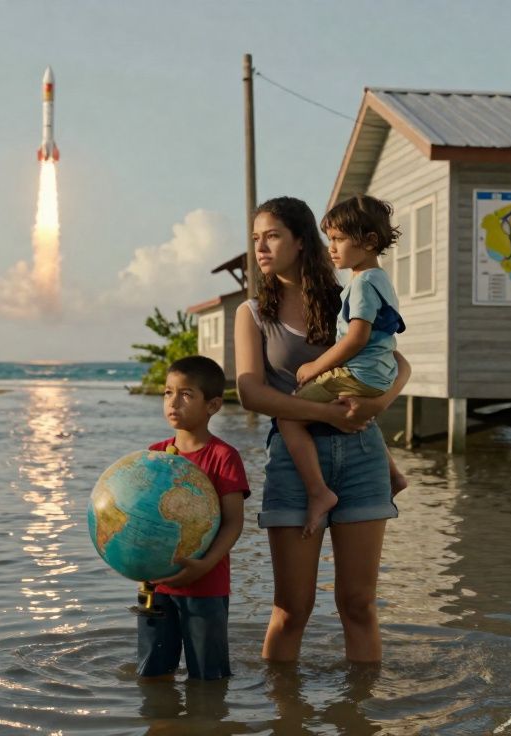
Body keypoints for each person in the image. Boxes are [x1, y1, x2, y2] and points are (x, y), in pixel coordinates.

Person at [233, 196, 412, 664]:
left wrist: (376, 404)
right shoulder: (252, 313)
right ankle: (283, 717)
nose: (261, 247)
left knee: (358, 604)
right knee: (293, 609)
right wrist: (328, 415)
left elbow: (399, 363)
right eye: (256, 239)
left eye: (271, 235)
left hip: (361, 456)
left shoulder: (346, 296)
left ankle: (361, 717)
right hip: (294, 463)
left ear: (300, 241)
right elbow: (250, 393)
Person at [279, 194, 408, 538]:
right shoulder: (381, 280)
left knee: (288, 416)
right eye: (329, 240)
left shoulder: (362, 283)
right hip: (380, 375)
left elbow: (355, 339)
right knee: (354, 416)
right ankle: (394, 476)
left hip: (358, 374)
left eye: (338, 239)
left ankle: (319, 492)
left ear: (368, 241)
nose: (331, 248)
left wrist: (316, 367)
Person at [137, 355, 249, 681]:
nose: (173, 402)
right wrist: (135, 561)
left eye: (186, 394)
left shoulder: (223, 457)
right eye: (168, 393)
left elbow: (233, 522)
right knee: (152, 675)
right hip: (156, 584)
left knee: (208, 677)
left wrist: (205, 564)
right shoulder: (155, 453)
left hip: (206, 585)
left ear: (213, 405)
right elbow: (141, 516)